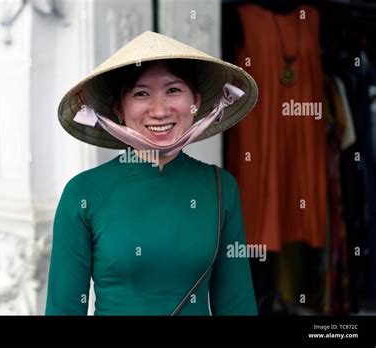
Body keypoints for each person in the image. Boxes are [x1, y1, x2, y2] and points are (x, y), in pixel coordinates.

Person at [45, 31, 258, 315]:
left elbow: (237, 306)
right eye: (141, 94)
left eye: (173, 90)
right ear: (118, 108)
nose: (159, 111)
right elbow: (63, 310)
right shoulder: (83, 193)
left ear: (195, 100)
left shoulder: (221, 187)